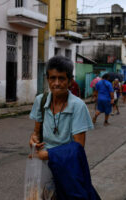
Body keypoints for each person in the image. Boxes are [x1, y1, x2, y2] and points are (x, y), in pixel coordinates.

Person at [28, 56, 99, 199]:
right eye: (52, 78)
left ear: (70, 80)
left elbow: (78, 147)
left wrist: (48, 154)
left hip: (67, 168)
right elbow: (36, 132)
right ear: (47, 79)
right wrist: (33, 140)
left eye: (61, 78)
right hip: (44, 166)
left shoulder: (78, 106)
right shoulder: (40, 101)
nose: (56, 83)